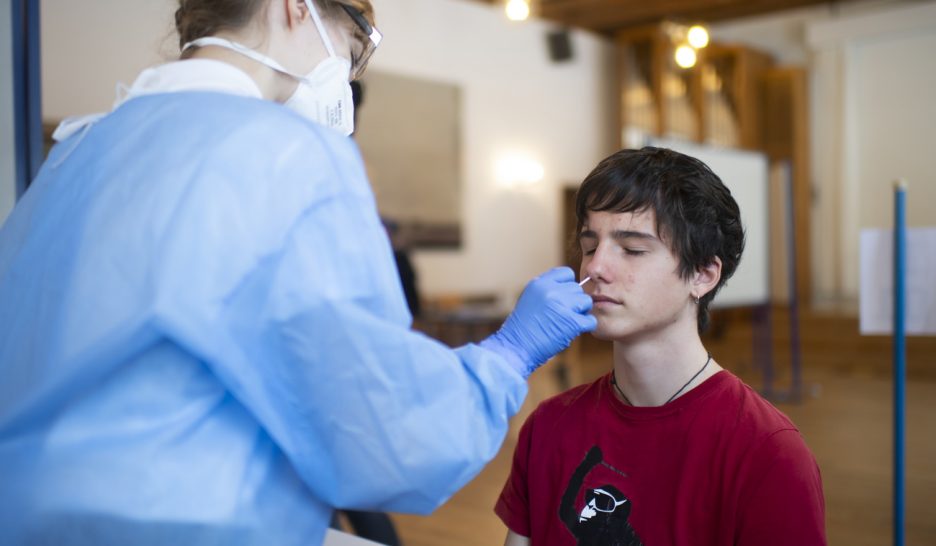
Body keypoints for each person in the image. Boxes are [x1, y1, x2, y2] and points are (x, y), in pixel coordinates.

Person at [0, 1, 597, 544]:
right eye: (353, 42)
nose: (347, 69)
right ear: (293, 8)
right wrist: (505, 357)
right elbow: (380, 428)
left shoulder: (78, 149)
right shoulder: (289, 154)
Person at [495, 147, 826, 545]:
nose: (595, 268)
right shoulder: (548, 426)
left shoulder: (767, 454)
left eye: (632, 249)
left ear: (703, 275)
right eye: (589, 246)